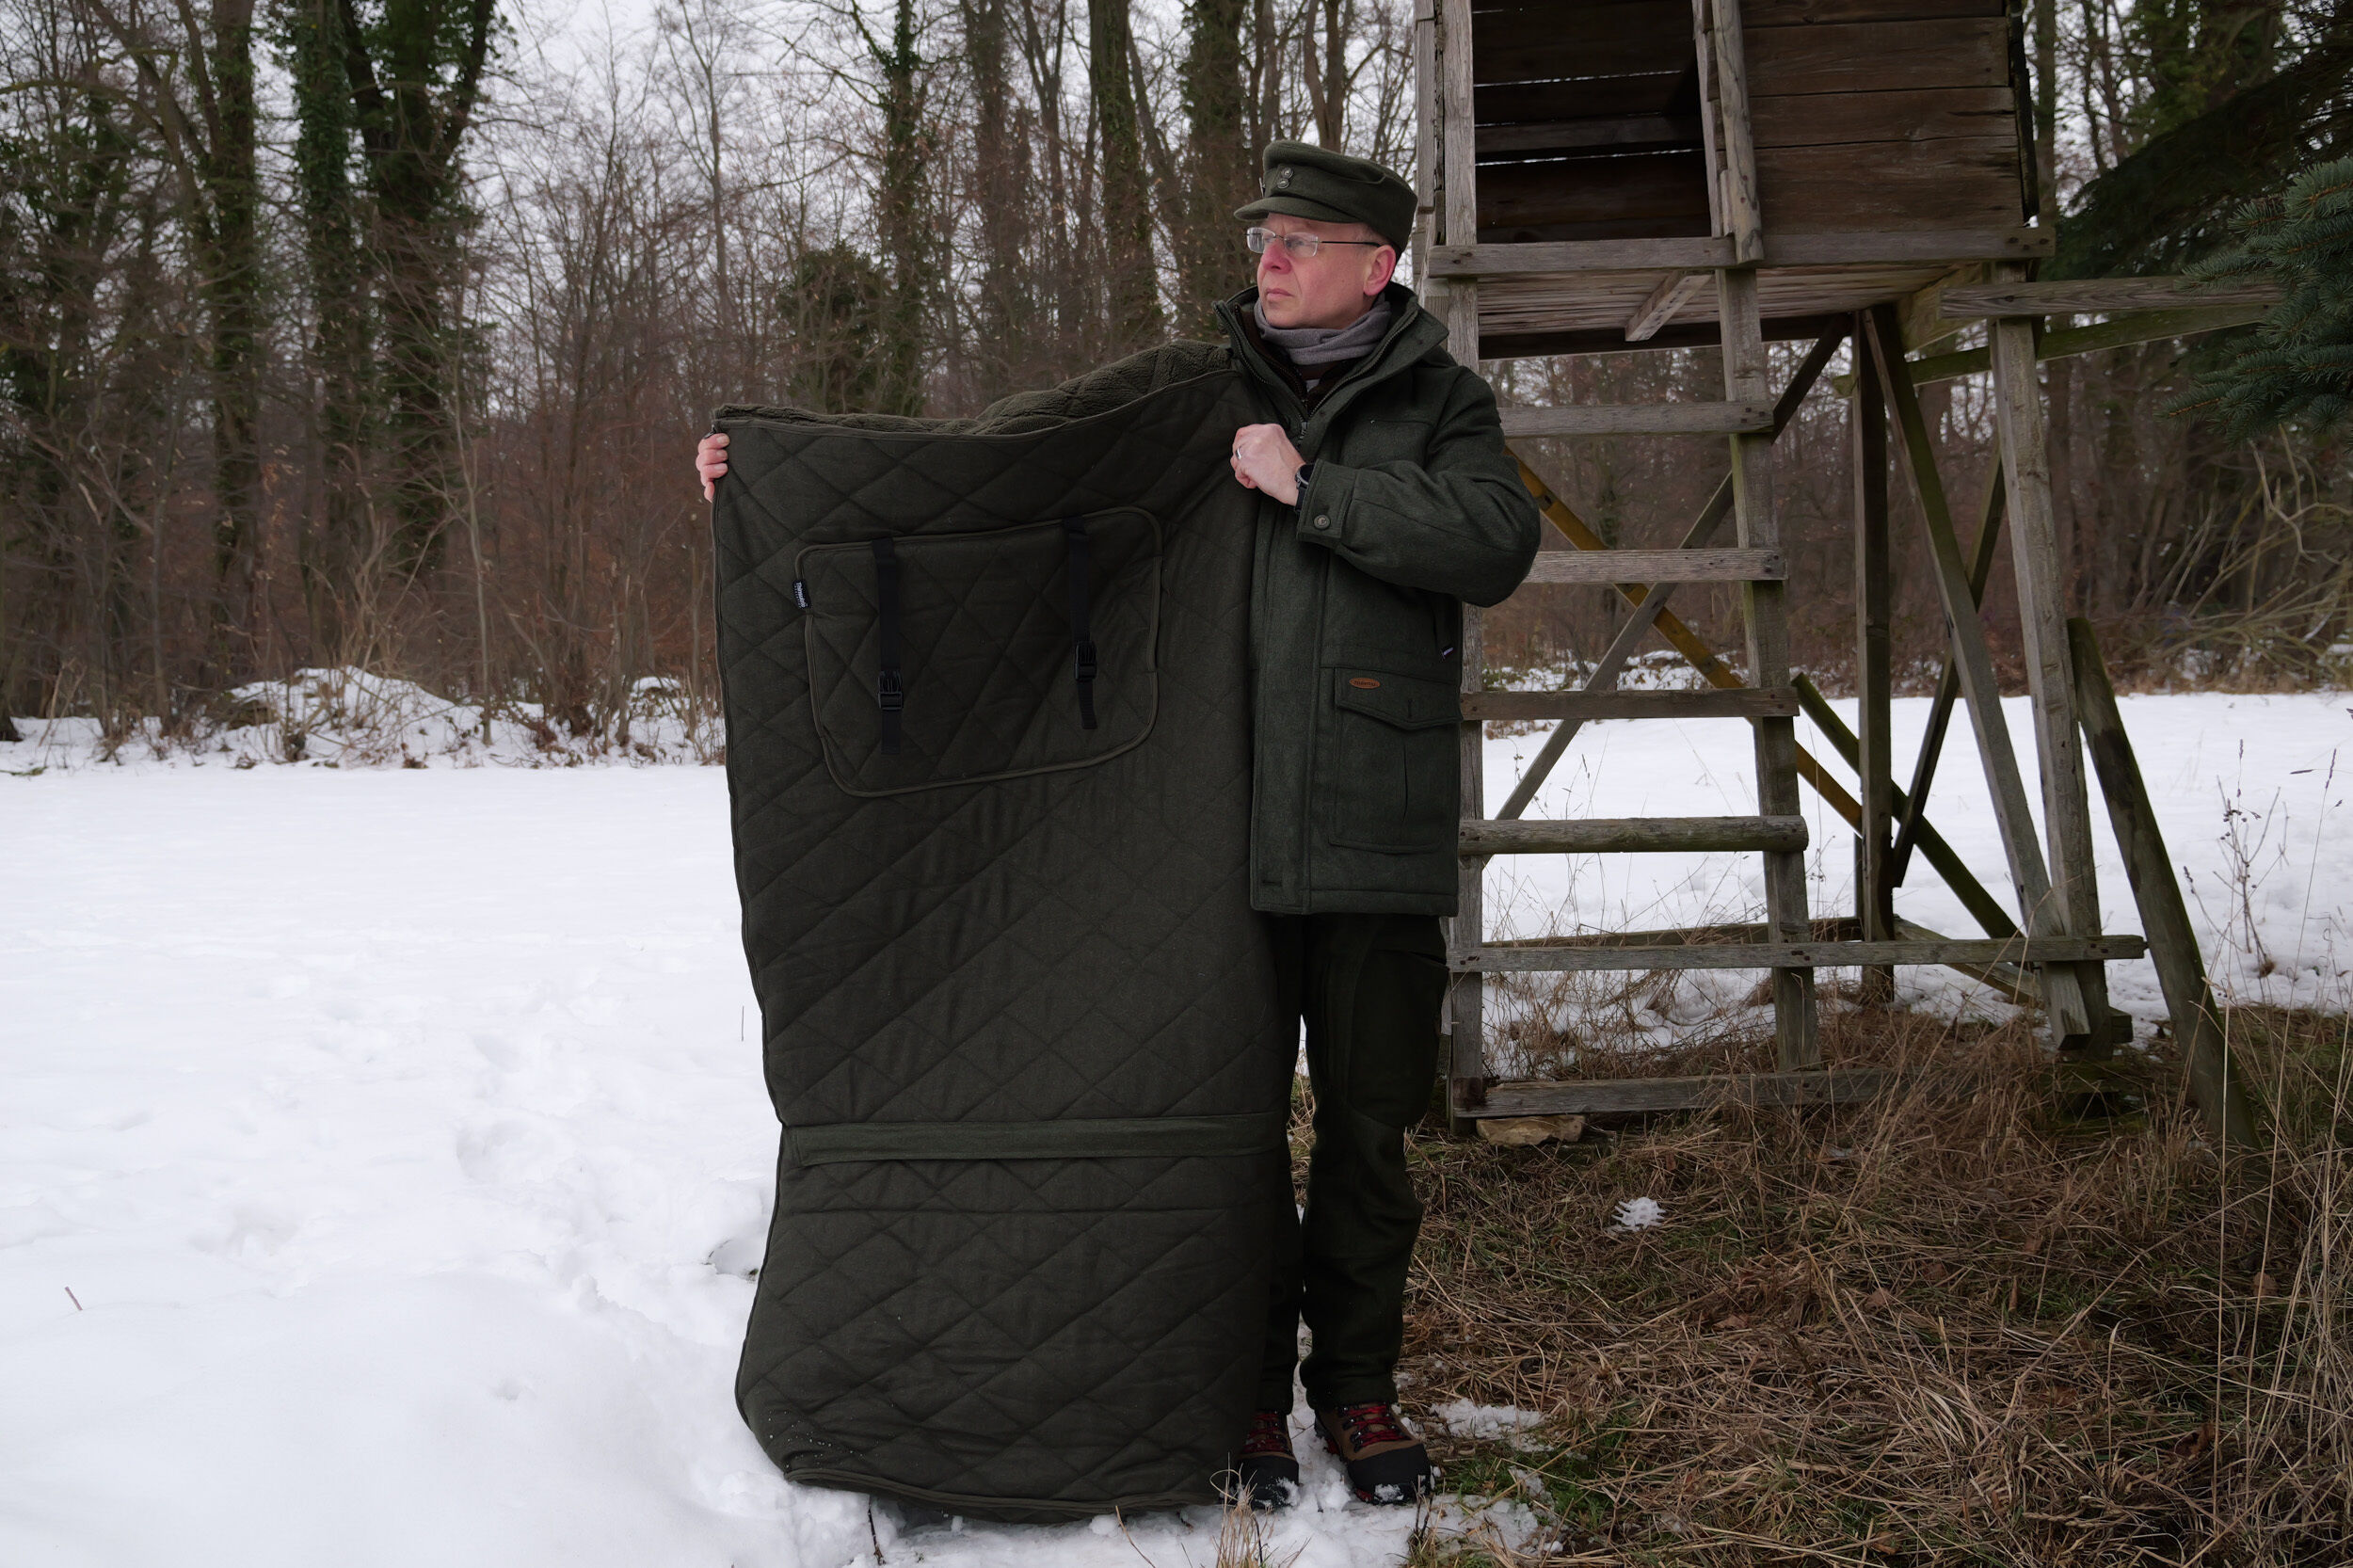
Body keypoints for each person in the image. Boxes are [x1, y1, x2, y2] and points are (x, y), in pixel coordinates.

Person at [694, 142, 1542, 1511]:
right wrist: (789, 470)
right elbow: (997, 466)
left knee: (1374, 1128)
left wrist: (1310, 488)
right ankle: (1249, 1395)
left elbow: (1494, 542)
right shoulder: (1190, 389)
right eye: (1264, 235)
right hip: (1207, 840)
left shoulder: (1443, 403)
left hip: (1368, 825)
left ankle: (1359, 1387)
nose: (1266, 257)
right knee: (1235, 1127)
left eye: (1300, 241)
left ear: (1377, 264)